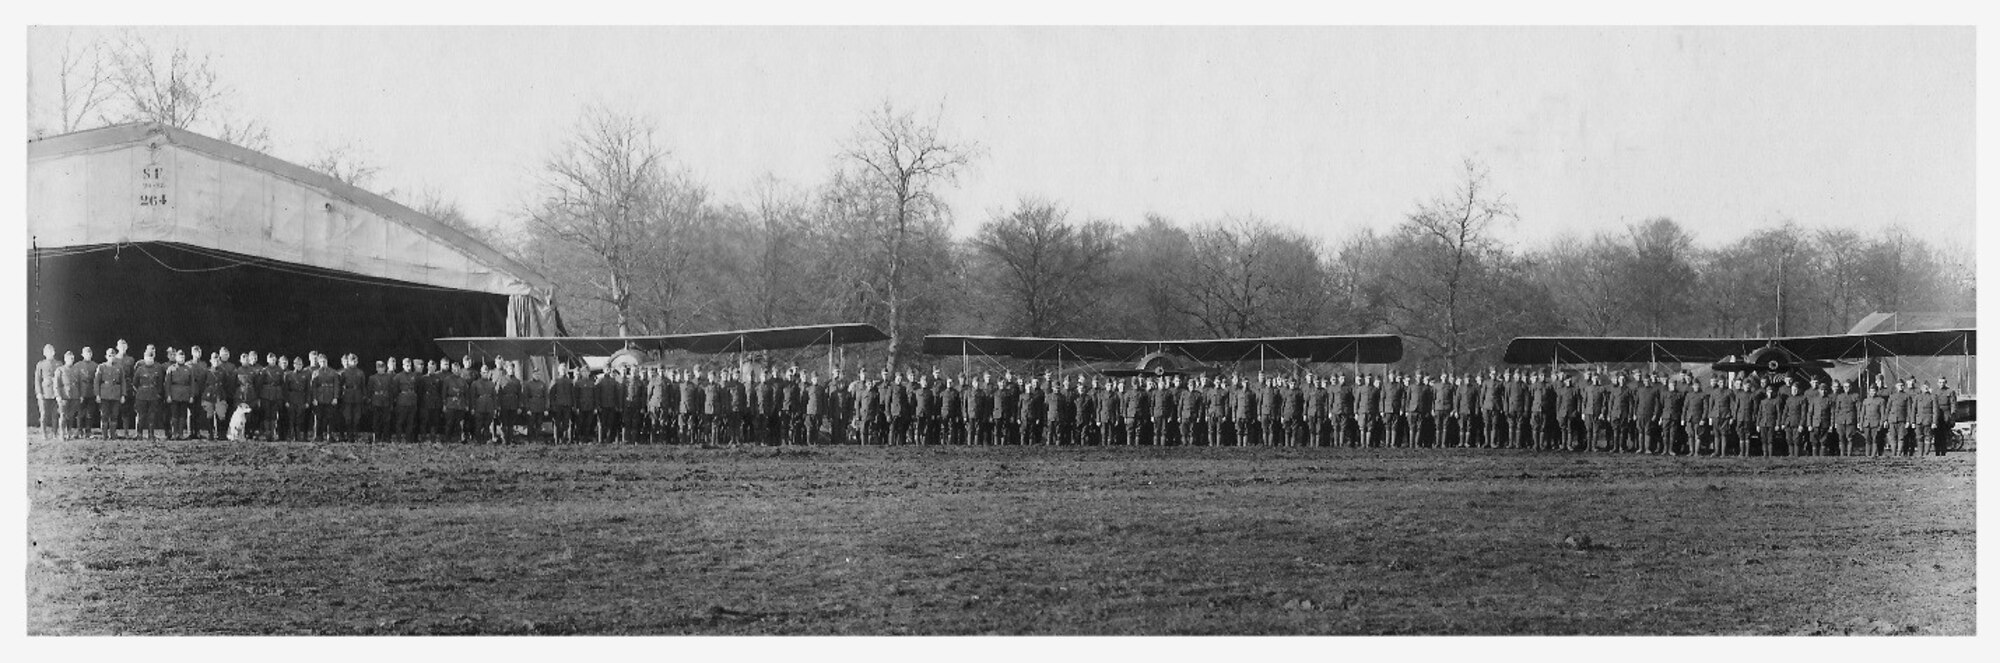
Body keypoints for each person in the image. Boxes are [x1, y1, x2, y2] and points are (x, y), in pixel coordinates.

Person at [95, 345, 130, 440]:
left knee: (114, 415)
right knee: (104, 415)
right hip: (104, 394)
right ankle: (104, 435)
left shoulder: (119, 367)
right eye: (109, 355)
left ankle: (113, 434)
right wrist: (97, 395)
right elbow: (97, 382)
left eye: (113, 355)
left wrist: (123, 395)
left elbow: (123, 382)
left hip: (115, 394)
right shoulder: (101, 367)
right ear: (106, 356)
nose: (111, 357)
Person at [56, 350, 86, 439]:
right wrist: (58, 395)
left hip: (75, 395)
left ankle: (69, 432)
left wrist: (81, 395)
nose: (70, 360)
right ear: (65, 359)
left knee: (71, 415)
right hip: (64, 395)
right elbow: (57, 384)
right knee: (63, 415)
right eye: (68, 358)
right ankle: (62, 433)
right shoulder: (60, 370)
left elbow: (81, 383)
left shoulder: (77, 370)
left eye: (72, 358)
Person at [35, 344, 62, 440]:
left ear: (54, 352)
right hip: (44, 392)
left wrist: (60, 393)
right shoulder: (41, 364)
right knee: (43, 414)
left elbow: (61, 379)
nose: (50, 353)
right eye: (47, 351)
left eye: (51, 351)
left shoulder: (59, 364)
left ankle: (55, 433)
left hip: (55, 392)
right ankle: (44, 433)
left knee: (55, 414)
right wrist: (39, 392)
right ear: (44, 353)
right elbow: (37, 379)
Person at [1932, 377, 1958, 456]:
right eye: (1940, 382)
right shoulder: (1935, 392)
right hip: (1937, 414)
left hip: (1946, 414)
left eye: (1943, 382)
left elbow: (1953, 404)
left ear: (1945, 382)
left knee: (1944, 434)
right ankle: (1937, 451)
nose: (1941, 384)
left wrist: (1952, 414)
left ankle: (1943, 451)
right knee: (1936, 434)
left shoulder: (1950, 391)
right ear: (1937, 383)